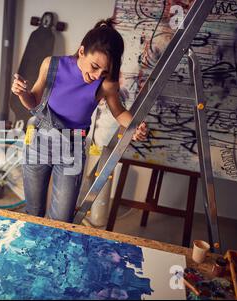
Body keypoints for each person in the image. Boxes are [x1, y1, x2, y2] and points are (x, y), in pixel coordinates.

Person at [11, 18, 148, 223]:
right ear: (82, 51)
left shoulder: (106, 86)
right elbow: (34, 102)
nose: (96, 75)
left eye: (104, 72)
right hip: (39, 141)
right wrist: (22, 94)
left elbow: (119, 113)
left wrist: (135, 126)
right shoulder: (51, 65)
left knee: (62, 218)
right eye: (94, 67)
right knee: (33, 211)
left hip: (71, 149)